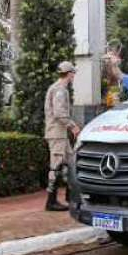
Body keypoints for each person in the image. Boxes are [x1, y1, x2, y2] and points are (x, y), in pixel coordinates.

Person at [44, 61, 81, 211]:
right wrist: (73, 126)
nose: (74, 76)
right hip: (56, 133)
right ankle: (51, 201)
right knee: (56, 165)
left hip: (60, 134)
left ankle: (69, 196)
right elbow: (59, 113)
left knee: (70, 162)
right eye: (73, 73)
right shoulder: (60, 90)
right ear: (70, 74)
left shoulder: (59, 88)